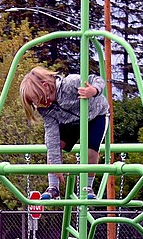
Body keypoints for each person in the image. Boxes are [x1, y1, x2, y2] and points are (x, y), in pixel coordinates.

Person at [19, 66, 110, 200]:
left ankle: (88, 188)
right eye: (34, 103)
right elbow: (51, 135)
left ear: (45, 86)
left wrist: (94, 90)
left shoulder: (70, 83)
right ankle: (53, 187)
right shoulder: (46, 110)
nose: (37, 105)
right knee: (54, 146)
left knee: (90, 149)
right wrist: (57, 165)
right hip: (72, 122)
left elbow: (96, 79)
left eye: (37, 99)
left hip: (96, 116)